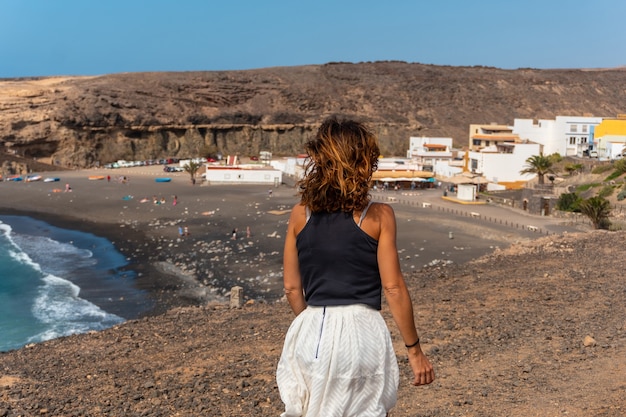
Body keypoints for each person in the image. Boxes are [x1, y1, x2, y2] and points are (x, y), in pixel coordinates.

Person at [276, 117, 434, 417]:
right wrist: (414, 351)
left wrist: (315, 323)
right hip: (363, 333)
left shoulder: (299, 214)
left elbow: (292, 288)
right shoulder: (379, 216)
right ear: (363, 162)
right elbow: (393, 287)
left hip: (311, 330)